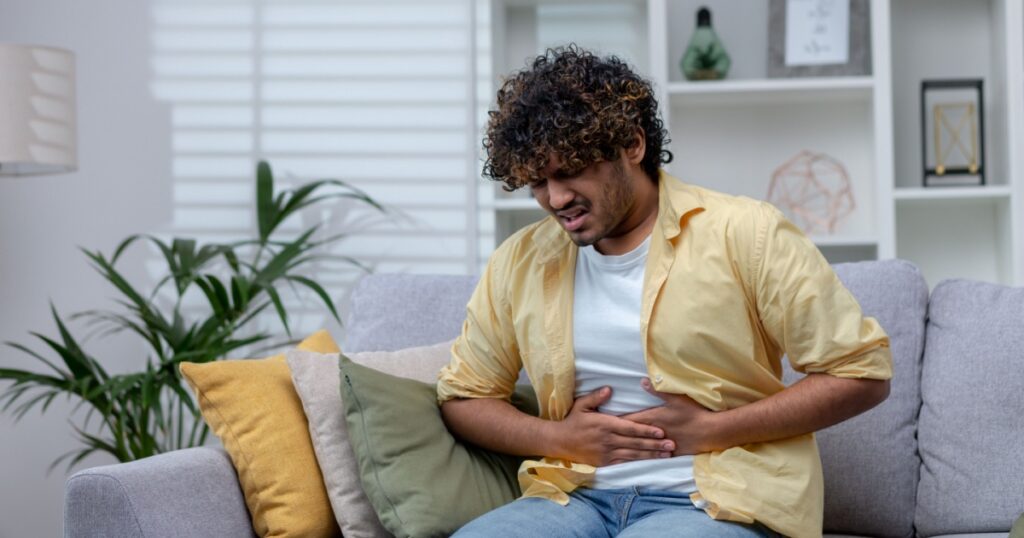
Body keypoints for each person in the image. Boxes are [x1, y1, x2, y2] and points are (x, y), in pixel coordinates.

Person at [436, 45, 892, 538]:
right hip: (574, 496)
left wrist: (713, 430)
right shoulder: (520, 260)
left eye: (569, 171)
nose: (556, 199)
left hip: (716, 500)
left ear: (632, 145)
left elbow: (861, 372)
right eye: (537, 183)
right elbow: (464, 398)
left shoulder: (747, 232)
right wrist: (558, 438)